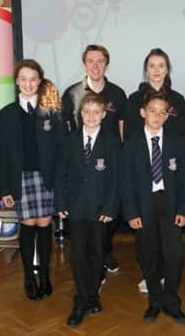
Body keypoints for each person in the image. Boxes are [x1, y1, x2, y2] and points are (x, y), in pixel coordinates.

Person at [124, 48, 185, 293]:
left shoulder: (178, 99)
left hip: (170, 173)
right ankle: (150, 275)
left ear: (167, 69)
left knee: (171, 243)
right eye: (152, 65)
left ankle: (167, 279)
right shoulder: (134, 98)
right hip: (144, 174)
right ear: (146, 69)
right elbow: (128, 132)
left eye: (161, 65)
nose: (156, 70)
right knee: (147, 242)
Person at [0, 59, 63, 301]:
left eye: (33, 79)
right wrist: (5, 188)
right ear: (17, 82)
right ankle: (28, 277)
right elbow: (2, 154)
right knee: (27, 225)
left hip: (46, 177)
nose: (28, 83)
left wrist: (60, 181)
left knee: (45, 224)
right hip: (20, 178)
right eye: (23, 79)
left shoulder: (51, 110)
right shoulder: (7, 113)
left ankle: (44, 276)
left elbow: (60, 148)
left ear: (40, 81)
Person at [55, 92, 120, 327]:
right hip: (75, 209)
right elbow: (60, 174)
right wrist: (60, 203)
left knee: (97, 254)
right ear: (80, 114)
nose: (91, 116)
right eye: (86, 112)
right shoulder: (70, 140)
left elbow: (116, 179)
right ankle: (81, 299)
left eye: (96, 112)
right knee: (76, 255)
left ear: (103, 115)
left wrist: (111, 206)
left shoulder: (111, 141)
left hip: (101, 210)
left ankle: (93, 295)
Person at [61, 44, 127, 275]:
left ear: (106, 64)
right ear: (84, 63)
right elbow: (67, 129)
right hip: (81, 166)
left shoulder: (117, 93)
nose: (96, 65)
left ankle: (104, 252)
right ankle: (91, 259)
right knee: (82, 234)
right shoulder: (71, 93)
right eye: (91, 61)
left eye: (100, 61)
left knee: (108, 218)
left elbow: (122, 130)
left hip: (108, 162)